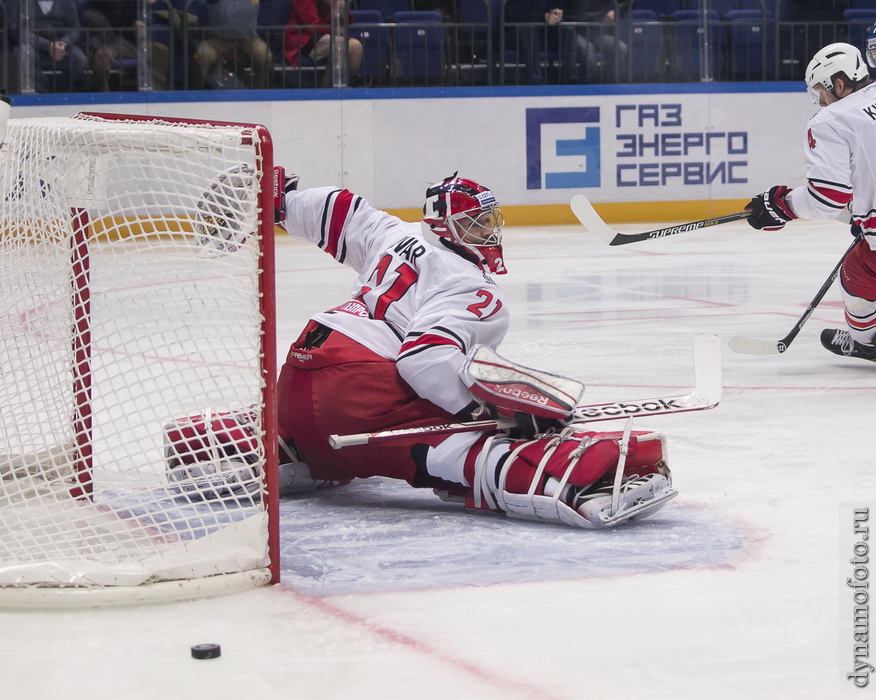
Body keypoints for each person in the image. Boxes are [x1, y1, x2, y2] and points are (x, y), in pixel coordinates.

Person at [237, 172, 676, 529]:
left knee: (354, 426)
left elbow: (336, 208)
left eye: (488, 221)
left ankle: (281, 448)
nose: (487, 232)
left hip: (295, 382)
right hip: (355, 392)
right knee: (470, 442)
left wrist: (278, 194)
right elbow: (424, 358)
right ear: (445, 227)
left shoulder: (394, 232)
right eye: (475, 224)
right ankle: (574, 478)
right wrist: (482, 413)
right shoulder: (473, 286)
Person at [744, 42, 876, 363]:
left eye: (820, 91)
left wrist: (781, 204)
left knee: (856, 272)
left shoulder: (831, 118)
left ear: (839, 84)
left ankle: (867, 342)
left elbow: (828, 198)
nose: (820, 101)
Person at [83, 0, 169, 91]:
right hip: (106, 42)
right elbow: (91, 17)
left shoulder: (133, 3)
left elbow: (144, 14)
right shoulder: (96, 6)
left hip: (129, 41)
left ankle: (158, 94)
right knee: (103, 55)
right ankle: (102, 94)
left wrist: (140, 23)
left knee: (161, 49)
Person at [7, 0, 88, 93]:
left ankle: (60, 94)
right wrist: (47, 45)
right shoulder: (17, 2)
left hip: (60, 47)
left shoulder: (67, 1)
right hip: (32, 45)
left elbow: (75, 28)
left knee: (80, 59)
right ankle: (44, 93)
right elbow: (15, 29)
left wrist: (63, 42)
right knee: (22, 54)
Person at [192, 0, 272, 89]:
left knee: (264, 55)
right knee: (202, 55)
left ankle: (260, 89)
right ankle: (196, 92)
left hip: (248, 38)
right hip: (218, 39)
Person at [284, 0, 362, 88]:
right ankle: (326, 90)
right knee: (340, 44)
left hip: (329, 36)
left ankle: (343, 84)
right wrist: (335, 29)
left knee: (356, 46)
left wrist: (342, 11)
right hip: (303, 37)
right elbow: (312, 27)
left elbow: (346, 22)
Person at [559, 0, 627, 84]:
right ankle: (593, 84)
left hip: (596, 31)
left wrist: (615, 11)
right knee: (588, 48)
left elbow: (627, 2)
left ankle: (607, 81)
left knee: (620, 48)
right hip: (573, 30)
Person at [503, 0, 563, 85]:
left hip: (542, 34)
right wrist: (544, 17)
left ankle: (572, 79)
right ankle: (536, 78)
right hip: (513, 33)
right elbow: (515, 16)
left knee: (568, 31)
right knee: (529, 30)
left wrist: (557, 15)